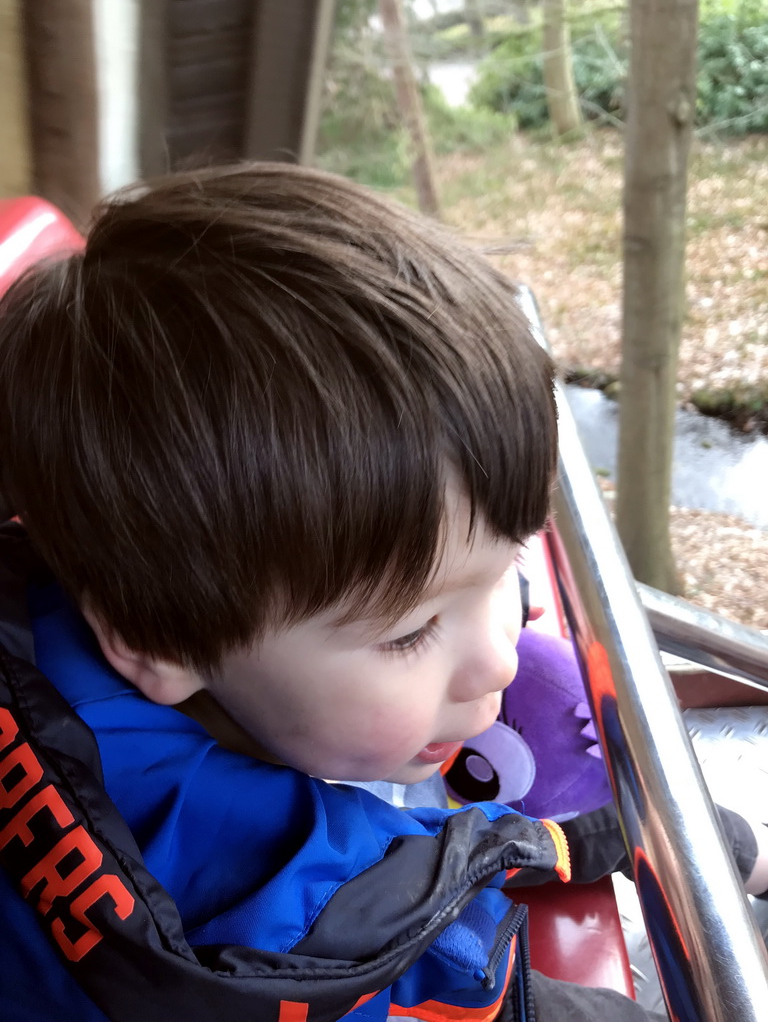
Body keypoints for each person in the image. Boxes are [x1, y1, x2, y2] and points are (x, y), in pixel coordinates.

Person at [0, 164, 764, 1022]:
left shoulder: (149, 586)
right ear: (155, 643)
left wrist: (697, 844)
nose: (499, 658)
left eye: (508, 566)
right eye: (409, 633)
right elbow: (463, 959)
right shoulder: (270, 942)